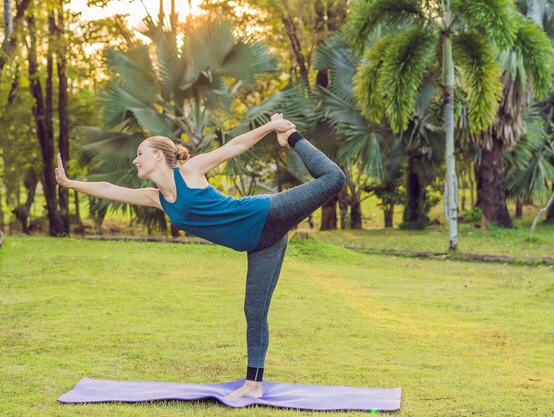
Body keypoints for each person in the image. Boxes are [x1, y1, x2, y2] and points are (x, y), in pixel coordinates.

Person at [55, 114, 346, 399]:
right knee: (254, 311)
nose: (135, 159)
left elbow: (233, 147)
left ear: (158, 156)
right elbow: (109, 189)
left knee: (333, 178)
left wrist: (273, 127)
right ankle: (254, 384)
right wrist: (70, 183)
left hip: (267, 212)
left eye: (140, 153)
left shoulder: (189, 172)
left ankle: (292, 137)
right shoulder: (156, 198)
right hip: (261, 244)